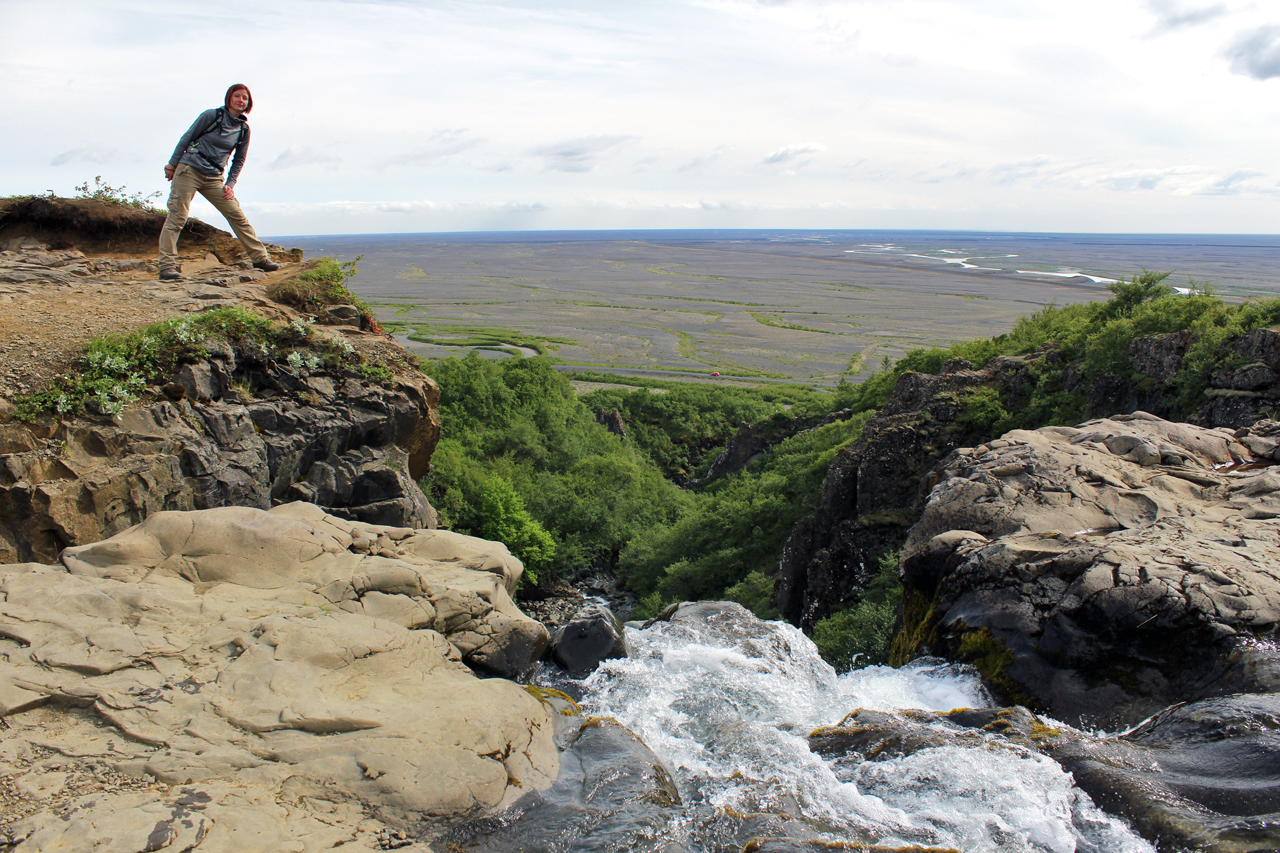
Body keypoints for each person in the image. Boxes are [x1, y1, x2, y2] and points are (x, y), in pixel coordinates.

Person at [158, 83, 279, 280]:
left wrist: (230, 184)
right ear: (229, 98)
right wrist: (172, 164)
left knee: (236, 214)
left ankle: (260, 259)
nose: (241, 100)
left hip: (214, 176)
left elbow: (239, 159)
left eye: (245, 98)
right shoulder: (212, 115)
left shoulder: (243, 129)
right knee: (177, 216)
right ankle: (167, 267)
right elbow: (187, 137)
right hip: (189, 169)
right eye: (237, 96)